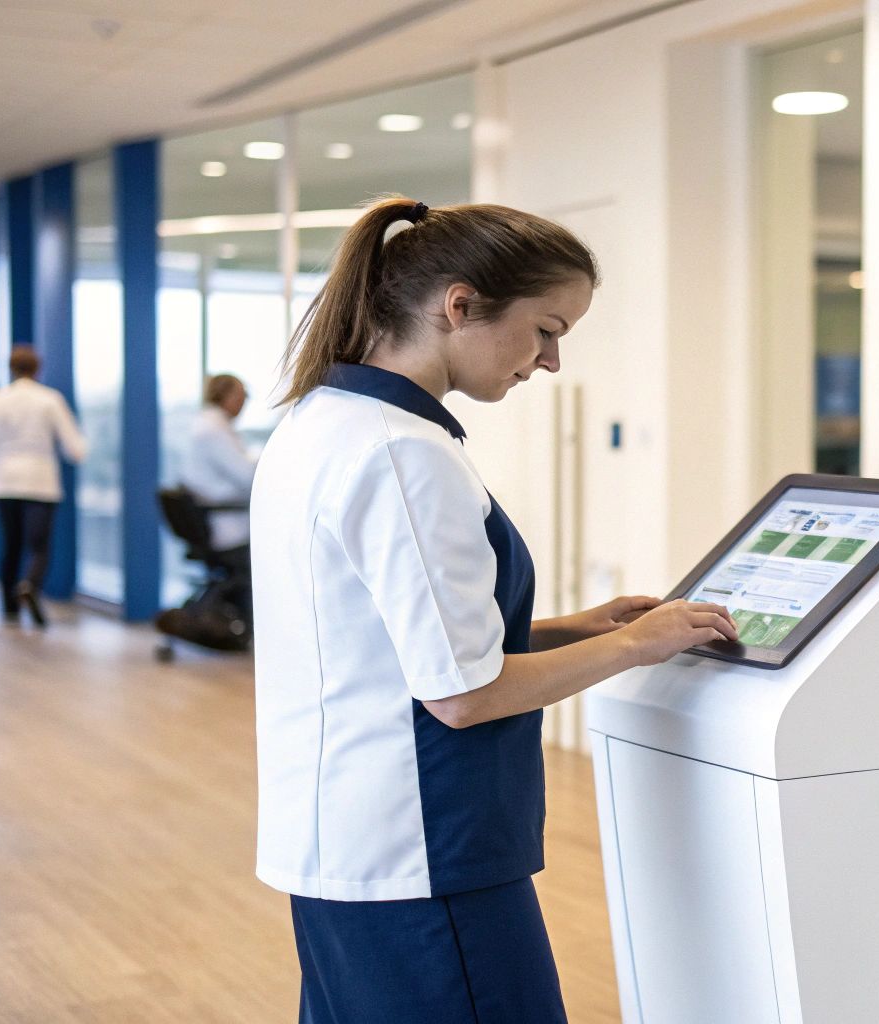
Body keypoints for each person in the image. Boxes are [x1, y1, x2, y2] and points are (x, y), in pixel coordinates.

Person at [250, 196, 739, 1024]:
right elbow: (462, 693)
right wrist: (638, 646)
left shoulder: (319, 420)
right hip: (425, 853)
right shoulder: (405, 453)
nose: (549, 361)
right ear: (460, 305)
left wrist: (577, 628)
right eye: (546, 329)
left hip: (345, 839)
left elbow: (388, 643)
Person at [0, 345, 87, 627]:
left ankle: (9, 608)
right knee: (38, 545)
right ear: (37, 369)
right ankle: (30, 584)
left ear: (11, 369)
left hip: (3, 480)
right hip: (40, 481)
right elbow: (75, 448)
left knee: (11, 544)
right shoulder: (50, 400)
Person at [181, 373, 255, 554]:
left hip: (214, 517)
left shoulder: (205, 424)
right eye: (242, 396)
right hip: (226, 525)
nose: (243, 403)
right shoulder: (213, 430)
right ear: (227, 396)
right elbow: (248, 477)